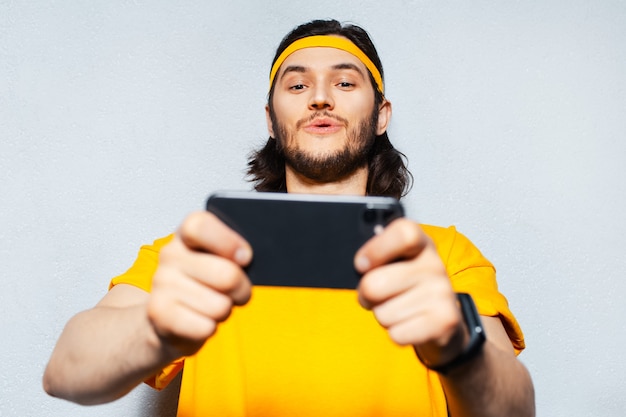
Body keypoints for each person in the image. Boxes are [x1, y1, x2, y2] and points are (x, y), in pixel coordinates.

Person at [43, 19, 535, 417]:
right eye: (297, 84)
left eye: (345, 82)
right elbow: (65, 372)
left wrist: (456, 344)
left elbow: (516, 411)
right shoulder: (203, 253)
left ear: (382, 115)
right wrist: (155, 330)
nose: (320, 97)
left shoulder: (441, 254)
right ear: (271, 120)